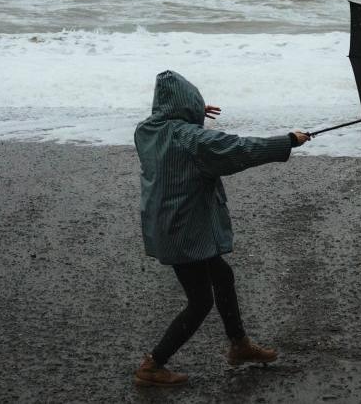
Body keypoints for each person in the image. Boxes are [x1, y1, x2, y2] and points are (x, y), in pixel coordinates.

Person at [132, 70, 311, 387]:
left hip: (167, 225)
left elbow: (173, 127)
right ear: (186, 106)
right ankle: (153, 364)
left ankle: (239, 345)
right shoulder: (191, 139)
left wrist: (192, 113)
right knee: (200, 301)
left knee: (222, 275)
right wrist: (287, 142)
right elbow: (240, 149)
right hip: (184, 233)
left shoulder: (146, 131)